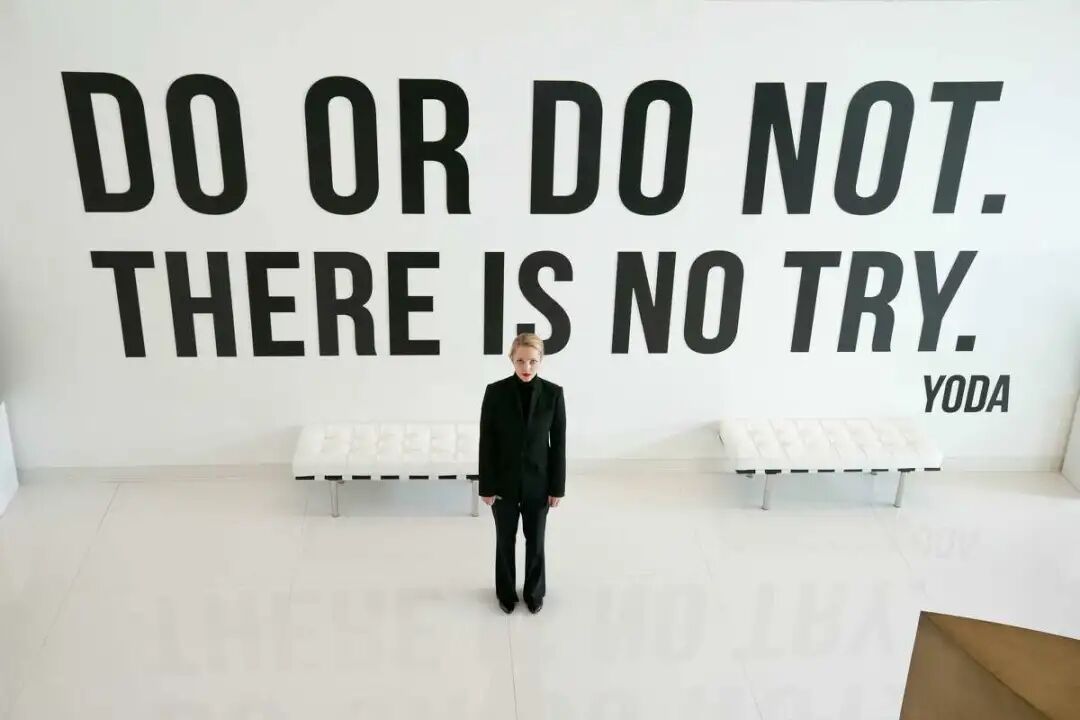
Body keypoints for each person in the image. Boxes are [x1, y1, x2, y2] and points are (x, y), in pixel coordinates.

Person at [478, 332, 566, 614]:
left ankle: (534, 592)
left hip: (539, 483)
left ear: (541, 360)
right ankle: (505, 593)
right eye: (520, 361)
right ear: (511, 360)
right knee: (505, 540)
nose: (526, 367)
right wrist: (486, 486)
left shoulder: (554, 394)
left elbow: (558, 445)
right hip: (503, 483)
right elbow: (487, 442)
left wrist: (557, 488)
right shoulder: (495, 392)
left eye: (532, 361)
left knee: (536, 540)